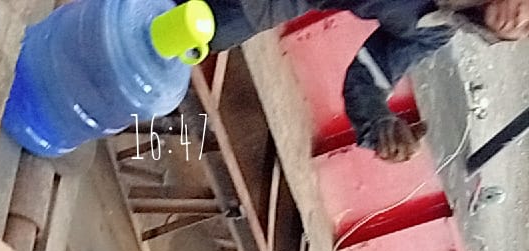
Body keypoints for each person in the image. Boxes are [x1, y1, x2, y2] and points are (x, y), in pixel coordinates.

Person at [208, 0, 529, 163]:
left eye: (528, 29)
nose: (520, 19)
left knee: (210, 31)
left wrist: (378, 123)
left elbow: (369, 75)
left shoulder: (434, 28)